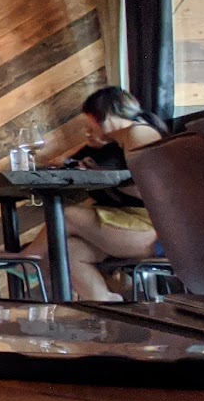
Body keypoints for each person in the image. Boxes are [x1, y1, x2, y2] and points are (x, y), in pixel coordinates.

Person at [61, 86, 166, 302]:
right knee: (71, 250)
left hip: (160, 232)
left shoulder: (139, 133)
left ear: (105, 116)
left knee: (65, 216)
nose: (88, 128)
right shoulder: (127, 137)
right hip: (144, 227)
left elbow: (151, 192)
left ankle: (29, 262)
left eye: (90, 121)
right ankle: (107, 310)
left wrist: (102, 178)